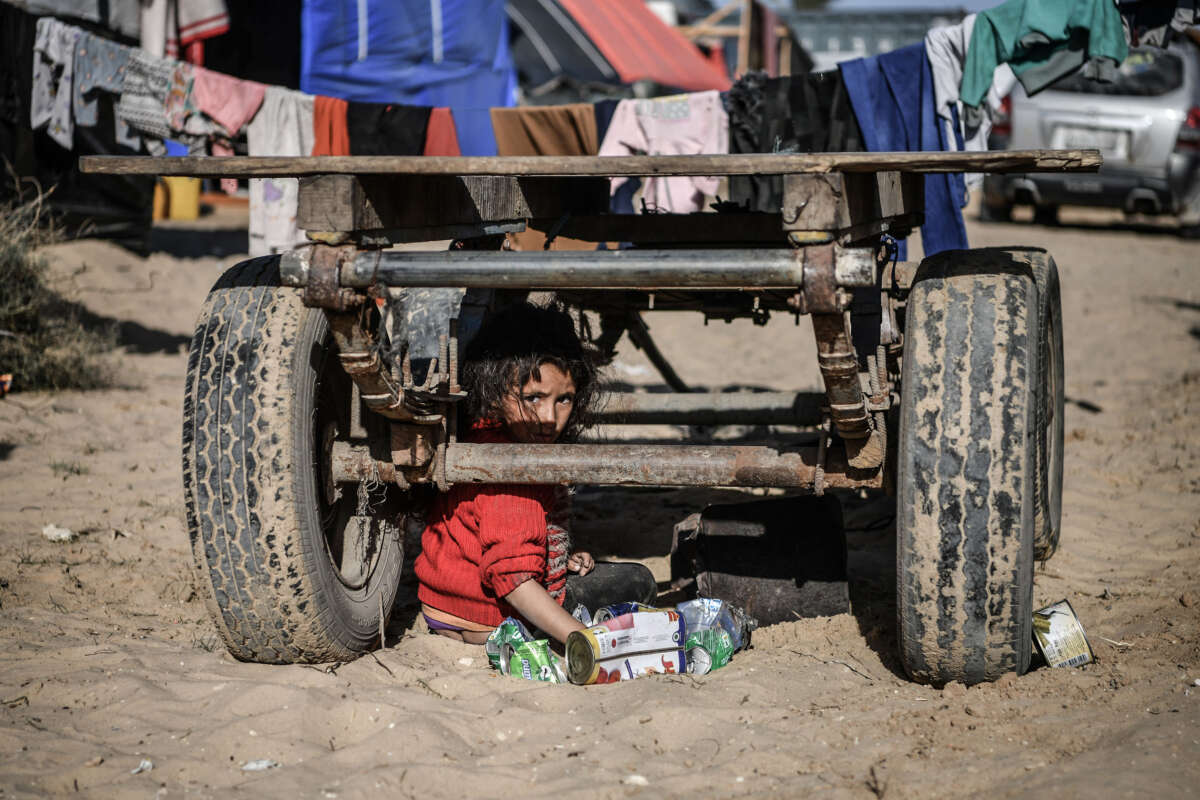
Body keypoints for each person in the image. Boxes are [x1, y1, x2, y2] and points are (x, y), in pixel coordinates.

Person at [414, 301, 658, 645]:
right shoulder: (517, 470)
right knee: (639, 580)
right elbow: (513, 580)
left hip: (444, 607)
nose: (548, 417)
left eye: (564, 399)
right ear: (496, 390)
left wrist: (557, 558)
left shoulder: (481, 434)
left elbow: (493, 537)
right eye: (533, 398)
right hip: (489, 618)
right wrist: (583, 639)